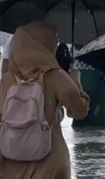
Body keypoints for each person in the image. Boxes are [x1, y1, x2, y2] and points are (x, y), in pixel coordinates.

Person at [0, 21, 90, 179]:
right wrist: (76, 80)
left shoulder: (7, 79)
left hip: (11, 161)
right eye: (53, 40)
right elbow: (78, 112)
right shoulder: (54, 76)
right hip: (49, 162)